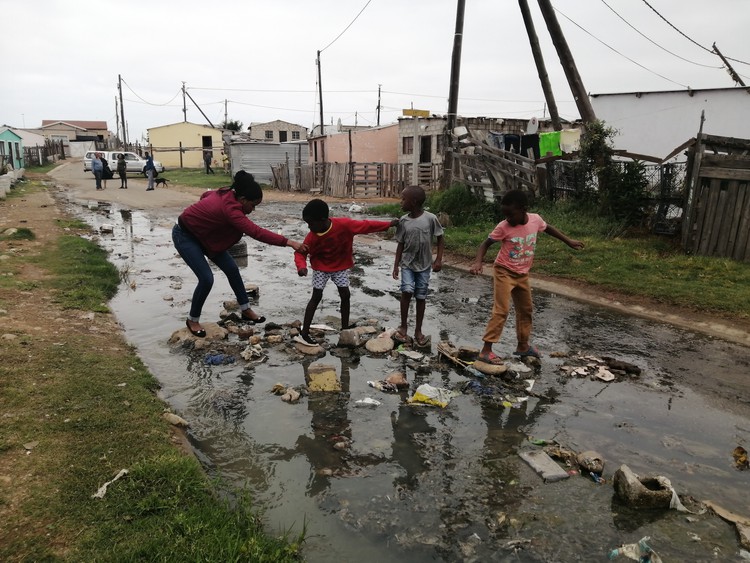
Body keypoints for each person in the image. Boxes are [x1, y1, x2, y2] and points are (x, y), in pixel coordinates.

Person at [173, 171, 306, 338]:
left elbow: (206, 194)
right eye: (253, 205)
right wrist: (290, 242)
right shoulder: (231, 211)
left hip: (207, 237)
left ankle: (245, 309)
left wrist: (208, 219)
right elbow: (257, 232)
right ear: (243, 200)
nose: (253, 209)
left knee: (232, 269)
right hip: (185, 236)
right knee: (206, 278)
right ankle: (192, 319)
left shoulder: (228, 193)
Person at [470, 189, 584, 363]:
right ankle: (486, 350)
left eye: (511, 214)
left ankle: (523, 346)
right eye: (505, 215)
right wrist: (478, 261)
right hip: (504, 271)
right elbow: (485, 244)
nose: (508, 219)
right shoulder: (503, 227)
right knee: (501, 310)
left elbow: (549, 229)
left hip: (522, 274)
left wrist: (569, 241)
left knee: (526, 310)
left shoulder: (535, 220)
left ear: (524, 209)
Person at [294, 198, 398, 345]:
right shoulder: (311, 236)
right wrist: (301, 266)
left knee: (345, 294)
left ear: (323, 220)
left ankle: (344, 328)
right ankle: (304, 333)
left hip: (340, 267)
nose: (309, 227)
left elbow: (366, 226)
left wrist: (388, 224)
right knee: (316, 296)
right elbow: (300, 252)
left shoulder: (344, 225)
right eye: (307, 224)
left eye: (311, 223)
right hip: (320, 268)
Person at [392, 186, 444, 347]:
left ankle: (418, 330)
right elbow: (400, 244)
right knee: (407, 290)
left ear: (414, 202)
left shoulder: (430, 218)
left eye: (403, 199)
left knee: (421, 296)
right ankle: (403, 326)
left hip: (424, 265)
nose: (401, 202)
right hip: (407, 263)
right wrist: (396, 265)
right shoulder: (403, 221)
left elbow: (440, 238)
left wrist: (438, 260)